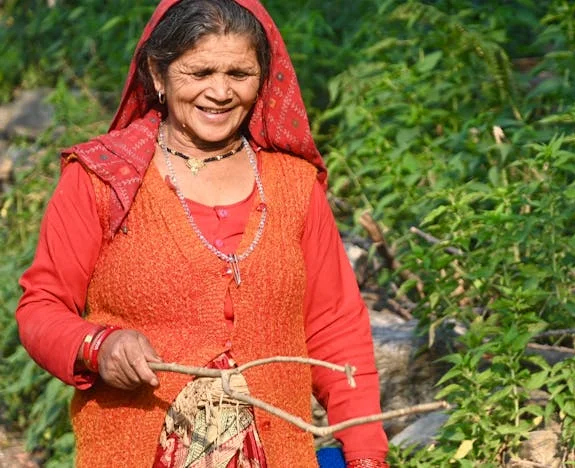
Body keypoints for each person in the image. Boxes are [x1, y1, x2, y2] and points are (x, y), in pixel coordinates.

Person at [15, 0, 389, 466]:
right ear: (158, 72)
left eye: (239, 74)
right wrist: (97, 346)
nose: (220, 92)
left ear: (263, 78)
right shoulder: (103, 178)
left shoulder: (295, 186)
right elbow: (41, 307)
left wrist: (365, 453)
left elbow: (336, 328)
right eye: (200, 72)